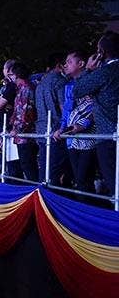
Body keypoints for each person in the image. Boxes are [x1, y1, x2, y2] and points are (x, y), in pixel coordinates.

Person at [73, 32, 119, 197]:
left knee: (114, 183)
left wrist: (88, 69)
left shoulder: (105, 72)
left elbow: (78, 90)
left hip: (108, 135)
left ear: (101, 53)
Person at [54, 49, 97, 193]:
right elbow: (66, 112)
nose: (65, 65)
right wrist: (62, 129)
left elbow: (95, 109)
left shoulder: (93, 81)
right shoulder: (69, 86)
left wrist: (82, 124)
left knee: (84, 179)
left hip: (90, 139)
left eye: (69, 62)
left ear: (81, 64)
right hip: (71, 139)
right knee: (79, 180)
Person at [35, 53, 68, 185]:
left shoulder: (40, 84)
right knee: (56, 172)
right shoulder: (60, 81)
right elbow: (64, 107)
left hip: (42, 131)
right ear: (59, 65)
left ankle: (42, 195)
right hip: (57, 131)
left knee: (44, 171)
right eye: (65, 64)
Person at [8, 62, 39, 181]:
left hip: (26, 135)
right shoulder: (21, 88)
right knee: (26, 164)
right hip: (22, 134)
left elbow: (26, 113)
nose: (9, 77)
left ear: (17, 75)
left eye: (10, 74)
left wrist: (17, 129)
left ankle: (35, 189)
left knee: (28, 165)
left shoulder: (26, 88)